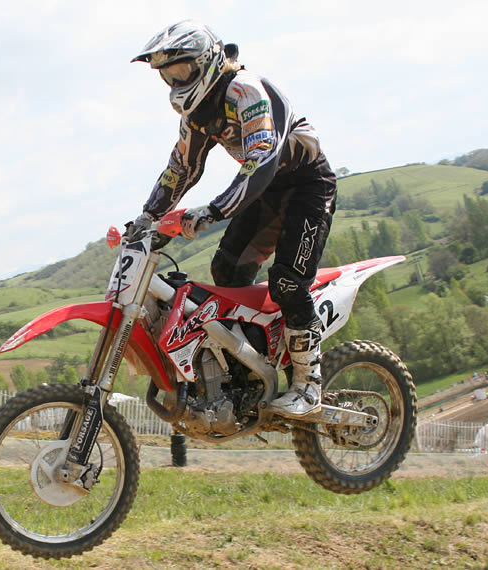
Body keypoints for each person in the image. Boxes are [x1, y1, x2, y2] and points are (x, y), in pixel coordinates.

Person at [127, 20, 337, 418]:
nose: (176, 82)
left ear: (206, 60)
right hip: (265, 194)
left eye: (182, 70)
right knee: (227, 270)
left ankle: (309, 384)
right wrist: (146, 218)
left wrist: (213, 210)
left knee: (288, 281)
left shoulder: (246, 90)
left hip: (307, 186)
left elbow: (262, 158)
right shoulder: (197, 113)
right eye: (168, 76)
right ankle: (247, 372)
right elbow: (182, 169)